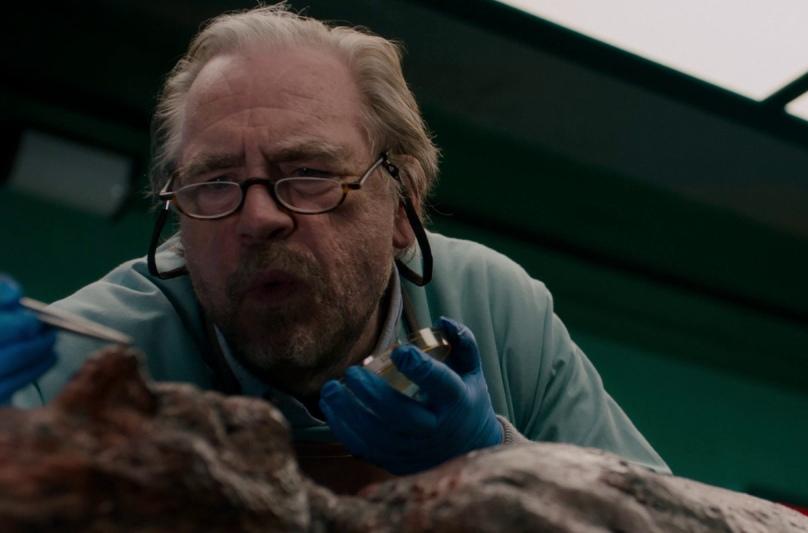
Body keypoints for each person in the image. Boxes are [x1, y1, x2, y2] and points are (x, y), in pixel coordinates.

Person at [0, 4, 666, 484]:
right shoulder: (92, 355)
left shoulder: (492, 310)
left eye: (308, 173)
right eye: (214, 183)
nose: (258, 218)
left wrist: (494, 462)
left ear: (403, 203)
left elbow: (676, 517)